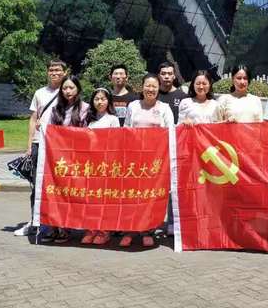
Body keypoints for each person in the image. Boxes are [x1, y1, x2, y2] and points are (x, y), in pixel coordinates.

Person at [15, 60, 66, 238]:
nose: (54, 73)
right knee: (38, 185)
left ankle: (59, 224)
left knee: (59, 185)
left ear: (65, 72)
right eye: (51, 70)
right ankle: (35, 222)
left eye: (58, 70)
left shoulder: (68, 91)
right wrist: (29, 145)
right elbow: (33, 118)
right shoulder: (39, 93)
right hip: (39, 143)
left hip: (60, 147)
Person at [124, 73, 174, 248]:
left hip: (155, 160)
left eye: (154, 86)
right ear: (142, 87)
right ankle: (130, 230)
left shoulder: (164, 108)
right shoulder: (133, 106)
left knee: (150, 196)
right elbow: (126, 130)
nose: (150, 89)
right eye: (147, 85)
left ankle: (148, 231)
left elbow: (170, 132)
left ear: (158, 88)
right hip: (135, 160)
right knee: (133, 196)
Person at [40, 75, 89, 243]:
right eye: (65, 88)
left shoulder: (85, 108)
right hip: (58, 158)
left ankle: (66, 227)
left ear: (78, 89)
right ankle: (54, 226)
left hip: (77, 159)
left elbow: (88, 133)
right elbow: (51, 131)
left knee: (71, 193)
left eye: (71, 88)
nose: (68, 91)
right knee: (56, 192)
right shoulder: (56, 109)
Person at [82, 88, 120, 246]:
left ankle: (104, 231)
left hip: (106, 164)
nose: (100, 102)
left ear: (108, 101)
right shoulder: (88, 119)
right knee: (90, 198)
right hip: (90, 165)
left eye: (103, 99)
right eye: (96, 99)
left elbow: (116, 143)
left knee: (104, 199)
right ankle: (91, 229)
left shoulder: (113, 119)